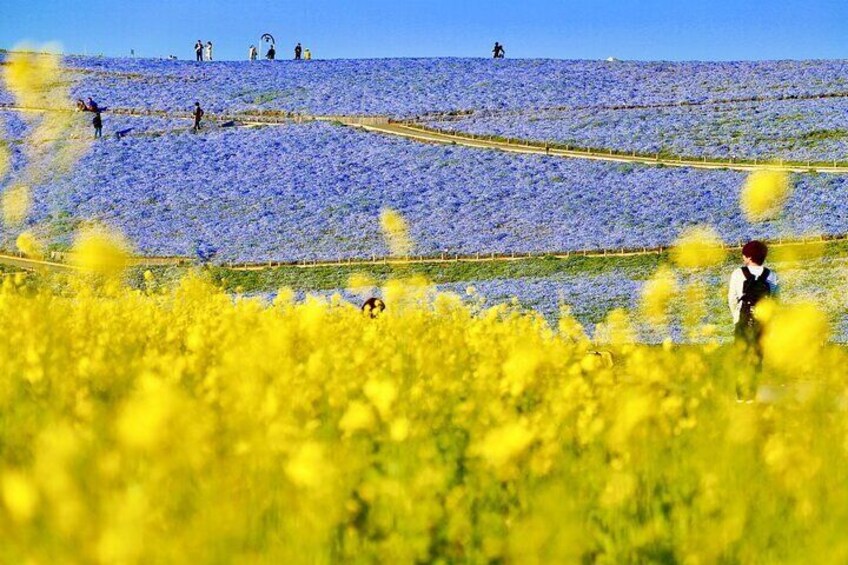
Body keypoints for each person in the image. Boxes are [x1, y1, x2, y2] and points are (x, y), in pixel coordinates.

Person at [728, 240, 778, 400]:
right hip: (761, 322)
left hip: (742, 321)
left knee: (741, 356)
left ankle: (741, 395)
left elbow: (732, 298)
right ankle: (752, 395)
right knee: (757, 358)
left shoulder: (738, 273)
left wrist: (736, 316)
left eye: (744, 255)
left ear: (749, 257)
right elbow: (775, 301)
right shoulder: (771, 275)